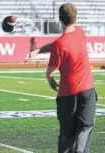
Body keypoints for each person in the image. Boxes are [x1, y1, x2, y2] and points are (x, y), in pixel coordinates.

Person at [27, 3, 97, 153]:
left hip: (67, 95)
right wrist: (39, 50)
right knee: (85, 129)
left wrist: (51, 81)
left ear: (60, 19)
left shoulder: (60, 44)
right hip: (87, 91)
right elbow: (61, 43)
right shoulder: (80, 32)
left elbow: (50, 72)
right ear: (76, 18)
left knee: (67, 135)